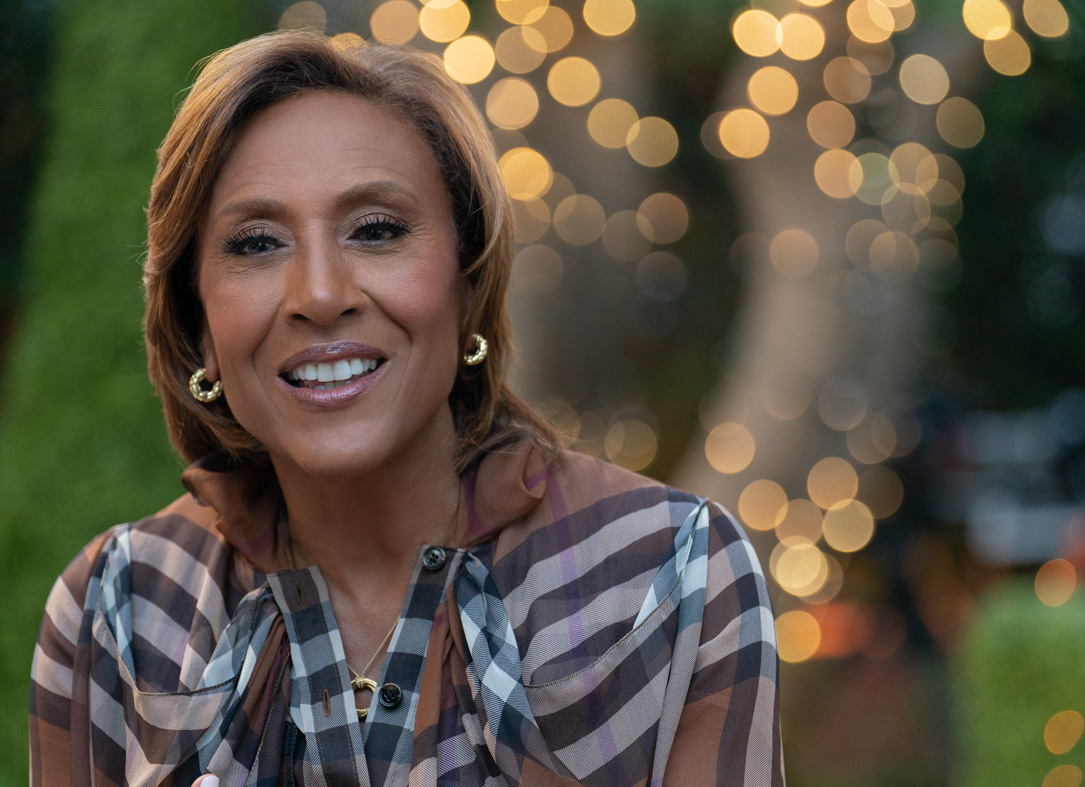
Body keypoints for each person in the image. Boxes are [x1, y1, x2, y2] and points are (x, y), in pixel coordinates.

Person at [29, 30, 783, 786]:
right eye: (256, 244)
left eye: (378, 230)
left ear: (468, 282)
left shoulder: (672, 573)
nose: (320, 295)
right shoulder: (119, 609)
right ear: (199, 325)